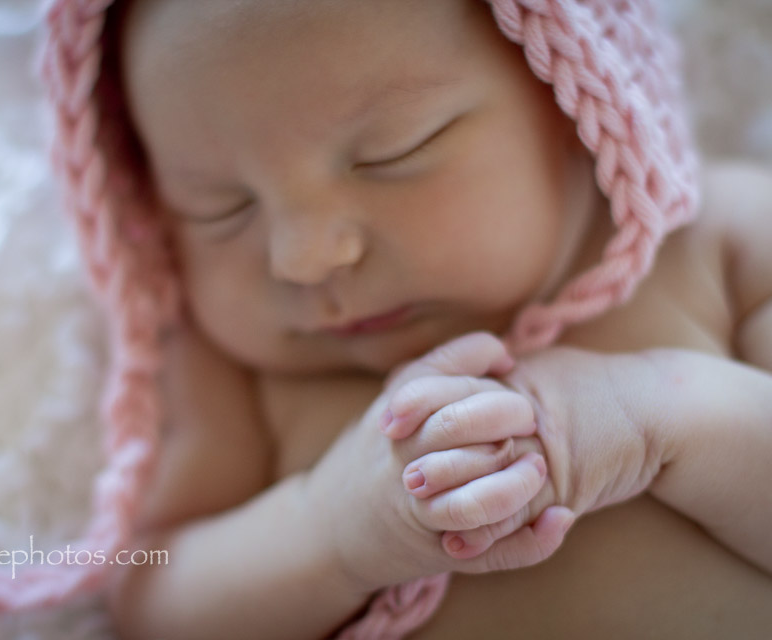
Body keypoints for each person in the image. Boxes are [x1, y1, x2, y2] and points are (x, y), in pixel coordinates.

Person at [41, 0, 772, 636]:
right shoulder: (235, 367)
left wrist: (661, 419)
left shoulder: (720, 240)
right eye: (220, 208)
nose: (303, 257)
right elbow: (151, 596)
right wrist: (330, 533)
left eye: (394, 150)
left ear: (580, 97)